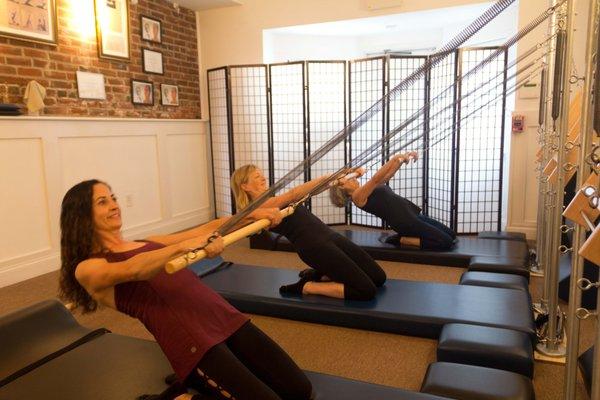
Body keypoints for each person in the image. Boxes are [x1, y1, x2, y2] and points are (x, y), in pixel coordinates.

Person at [59, 179, 312, 400]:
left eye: (113, 198)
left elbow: (202, 230)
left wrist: (249, 216)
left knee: (299, 390)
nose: (114, 205)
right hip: (192, 342)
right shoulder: (87, 268)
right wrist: (183, 246)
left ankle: (197, 382)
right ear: (81, 215)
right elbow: (135, 269)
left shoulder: (145, 242)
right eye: (103, 202)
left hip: (222, 316)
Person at [231, 165, 386, 301]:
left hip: (331, 236)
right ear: (245, 186)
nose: (263, 178)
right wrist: (331, 178)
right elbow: (294, 194)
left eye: (262, 174)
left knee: (379, 277)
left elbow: (307, 191)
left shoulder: (273, 199)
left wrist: (345, 173)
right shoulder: (257, 209)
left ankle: (321, 274)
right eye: (257, 177)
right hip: (315, 247)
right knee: (366, 291)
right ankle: (307, 286)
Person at [330, 151, 456, 251]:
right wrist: (395, 158)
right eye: (347, 178)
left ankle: (407, 236)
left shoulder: (365, 189)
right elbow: (375, 179)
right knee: (446, 242)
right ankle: (403, 239)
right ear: (342, 186)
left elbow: (387, 176)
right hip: (405, 221)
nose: (352, 178)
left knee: (451, 234)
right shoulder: (357, 197)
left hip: (411, 214)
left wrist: (402, 159)